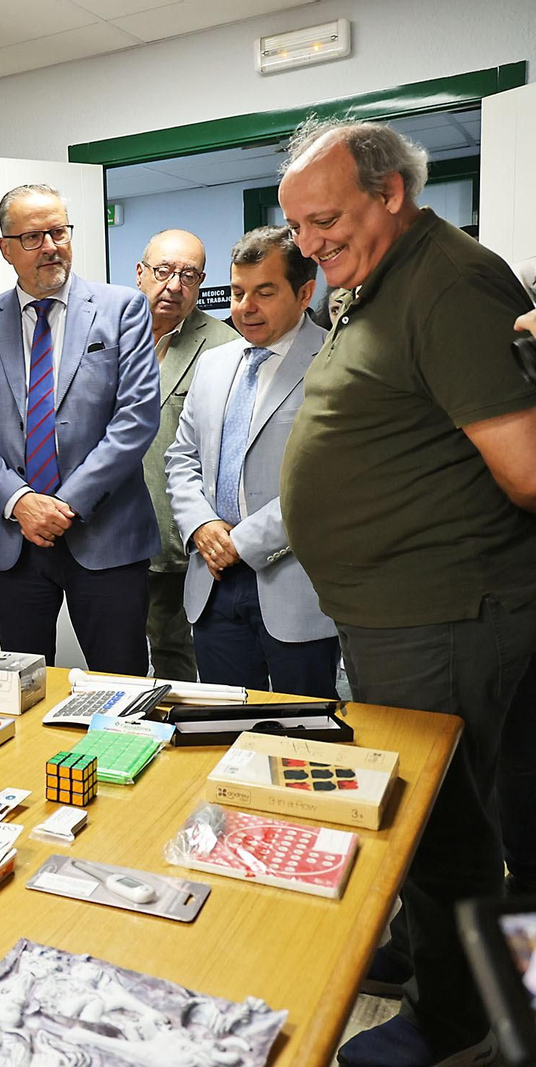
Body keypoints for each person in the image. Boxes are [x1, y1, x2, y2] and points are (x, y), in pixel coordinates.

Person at [278, 118, 536, 1067]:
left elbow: (528, 469)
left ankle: (460, 1014)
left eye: (325, 219)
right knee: (434, 815)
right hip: (405, 615)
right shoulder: (382, 280)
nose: (309, 244)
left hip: (452, 614)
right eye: (297, 226)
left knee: (442, 825)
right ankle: (438, 954)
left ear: (389, 192)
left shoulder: (452, 278)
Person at [0, 183, 160, 674]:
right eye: (32, 237)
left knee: (121, 682)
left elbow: (135, 418)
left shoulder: (122, 309)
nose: (50, 246)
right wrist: (21, 501)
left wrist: (64, 506)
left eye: (58, 231)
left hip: (106, 532)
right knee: (21, 685)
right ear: (5, 248)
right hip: (13, 540)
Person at [164, 226, 337, 697]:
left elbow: (330, 484)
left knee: (302, 736)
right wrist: (201, 527)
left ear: (304, 293)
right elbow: (182, 459)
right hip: (213, 582)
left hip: (293, 583)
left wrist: (241, 542)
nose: (246, 307)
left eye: (264, 292)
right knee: (224, 730)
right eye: (238, 293)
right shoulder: (214, 364)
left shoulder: (334, 364)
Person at [135, 229, 238, 682]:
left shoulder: (225, 347)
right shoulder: (108, 335)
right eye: (163, 271)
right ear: (140, 274)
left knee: (176, 649)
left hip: (179, 531)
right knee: (116, 654)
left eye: (189, 275)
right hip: (107, 530)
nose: (174, 285)